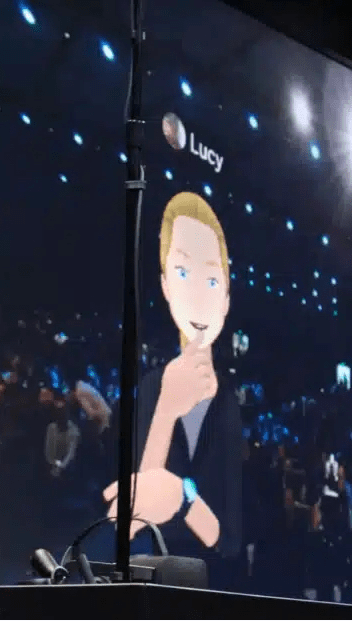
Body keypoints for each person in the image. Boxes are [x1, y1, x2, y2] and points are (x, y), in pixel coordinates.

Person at [103, 191, 242, 565]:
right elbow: (132, 520)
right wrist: (165, 411)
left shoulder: (229, 403)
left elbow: (230, 538)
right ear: (165, 285)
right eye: (182, 273)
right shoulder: (151, 388)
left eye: (211, 280)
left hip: (213, 581)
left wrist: (184, 496)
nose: (197, 295)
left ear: (226, 298)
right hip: (153, 571)